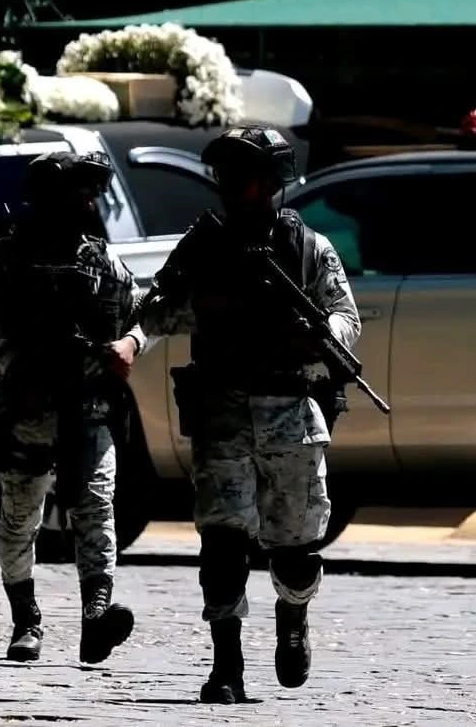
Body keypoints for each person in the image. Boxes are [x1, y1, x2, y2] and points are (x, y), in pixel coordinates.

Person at [127, 125, 362, 704]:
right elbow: (158, 308)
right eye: (232, 178)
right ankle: (226, 665)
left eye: (252, 178)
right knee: (223, 544)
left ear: (273, 183)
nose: (241, 189)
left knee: (296, 549)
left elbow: (344, 315)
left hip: (289, 411)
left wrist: (321, 335)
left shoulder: (308, 249)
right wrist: (132, 339)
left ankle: (293, 619)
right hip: (222, 414)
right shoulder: (203, 246)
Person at [0, 150, 143, 664]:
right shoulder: (7, 258)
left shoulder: (101, 260)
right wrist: (9, 361)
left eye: (92, 191)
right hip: (26, 409)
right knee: (20, 518)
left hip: (87, 407)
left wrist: (130, 343)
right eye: (78, 191)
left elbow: (141, 312)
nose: (88, 201)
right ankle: (27, 619)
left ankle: (96, 616)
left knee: (95, 503)